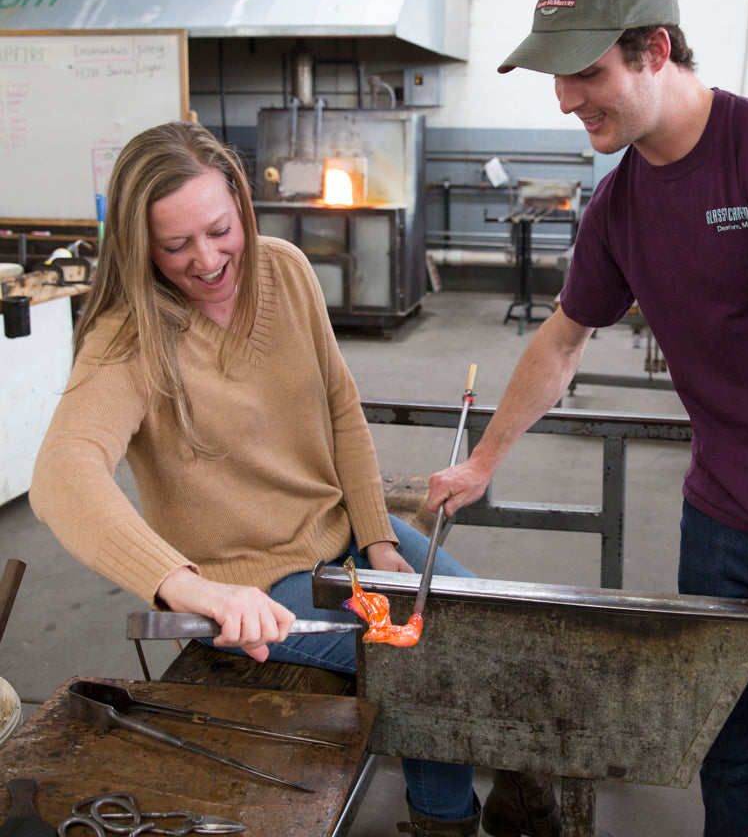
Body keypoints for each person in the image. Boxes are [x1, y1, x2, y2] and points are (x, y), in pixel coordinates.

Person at [427, 0, 748, 837]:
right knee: (727, 764)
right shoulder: (619, 206)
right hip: (722, 525)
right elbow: (562, 339)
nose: (566, 99)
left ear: (655, 50)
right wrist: (482, 461)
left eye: (585, 73)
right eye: (557, 77)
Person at [29, 121, 559, 837]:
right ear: (138, 245)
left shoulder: (284, 269)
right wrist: (188, 585)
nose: (209, 259)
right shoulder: (129, 339)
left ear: (243, 209)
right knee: (431, 655)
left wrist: (376, 539)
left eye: (220, 230)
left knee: (498, 622)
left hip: (341, 541)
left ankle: (520, 782)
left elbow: (340, 404)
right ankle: (446, 822)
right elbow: (63, 474)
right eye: (176, 245)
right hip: (258, 588)